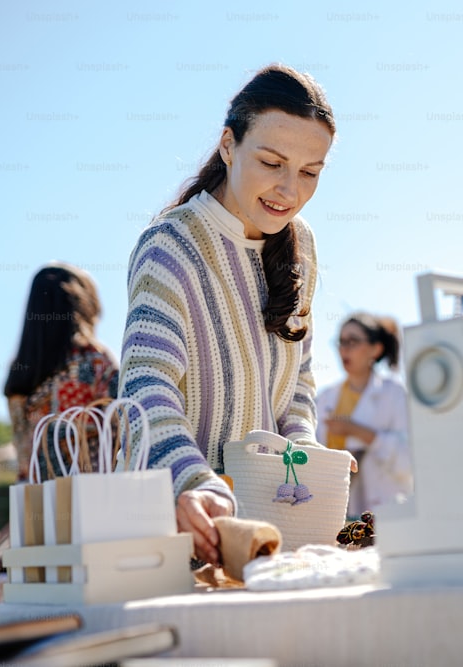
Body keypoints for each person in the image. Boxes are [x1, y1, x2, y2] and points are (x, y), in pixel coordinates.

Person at [117, 64, 336, 566]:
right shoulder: (170, 245)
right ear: (228, 145)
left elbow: (298, 379)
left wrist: (303, 455)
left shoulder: (301, 245)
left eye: (309, 172)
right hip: (187, 526)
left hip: (270, 529)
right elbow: (145, 386)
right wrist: (194, 482)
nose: (289, 189)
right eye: (271, 162)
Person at [5, 262, 119, 479]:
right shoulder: (92, 359)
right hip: (93, 496)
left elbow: (22, 449)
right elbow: (125, 421)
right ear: (83, 304)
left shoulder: (21, 373)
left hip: (39, 497)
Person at [315, 313, 412, 519]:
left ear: (375, 349)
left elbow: (410, 460)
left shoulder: (394, 393)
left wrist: (358, 432)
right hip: (333, 512)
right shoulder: (325, 398)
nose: (344, 349)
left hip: (386, 512)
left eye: (353, 341)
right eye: (341, 342)